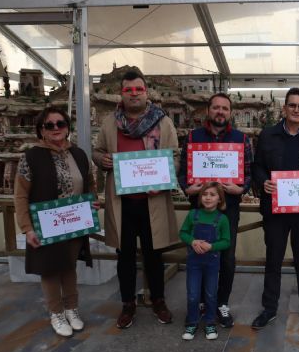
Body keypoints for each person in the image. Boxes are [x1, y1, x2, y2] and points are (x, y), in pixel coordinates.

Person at [93, 70, 180, 329]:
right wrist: (101, 159)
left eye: (138, 89)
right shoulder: (110, 123)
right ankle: (128, 303)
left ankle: (158, 300)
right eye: (128, 90)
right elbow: (97, 151)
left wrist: (163, 178)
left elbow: (175, 156)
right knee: (125, 256)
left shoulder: (162, 122)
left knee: (154, 255)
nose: (134, 94)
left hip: (152, 202)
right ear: (121, 93)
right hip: (122, 204)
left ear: (146, 92)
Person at [14, 107, 98, 337]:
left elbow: (90, 182)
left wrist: (92, 202)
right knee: (50, 269)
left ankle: (72, 308)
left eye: (60, 123)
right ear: (41, 130)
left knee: (69, 266)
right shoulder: (31, 157)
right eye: (49, 125)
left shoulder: (79, 154)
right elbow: (20, 195)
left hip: (75, 221)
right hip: (46, 224)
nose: (55, 128)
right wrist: (27, 228)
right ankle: (56, 313)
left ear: (67, 127)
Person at [251, 87, 299, 332]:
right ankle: (269, 309)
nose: (296, 109)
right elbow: (257, 166)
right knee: (273, 260)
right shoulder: (268, 135)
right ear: (284, 108)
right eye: (292, 105)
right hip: (275, 211)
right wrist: (263, 181)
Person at [178, 93, 252, 328]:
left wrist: (241, 188)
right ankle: (201, 302)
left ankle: (221, 303)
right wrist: (187, 187)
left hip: (228, 208)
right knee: (198, 252)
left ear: (230, 112)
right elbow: (182, 171)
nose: (220, 112)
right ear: (208, 110)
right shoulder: (193, 137)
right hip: (199, 208)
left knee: (226, 256)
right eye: (216, 107)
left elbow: (249, 172)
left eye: (225, 108)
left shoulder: (241, 139)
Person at [179, 182, 230, 341]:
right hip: (194, 263)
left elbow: (226, 241)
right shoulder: (192, 214)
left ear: (219, 199)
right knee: (193, 294)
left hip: (212, 263)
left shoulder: (222, 219)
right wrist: (192, 241)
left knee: (210, 294)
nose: (208, 198)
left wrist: (212, 246)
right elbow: (183, 233)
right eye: (205, 194)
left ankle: (210, 323)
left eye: (212, 195)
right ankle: (192, 323)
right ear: (200, 198)